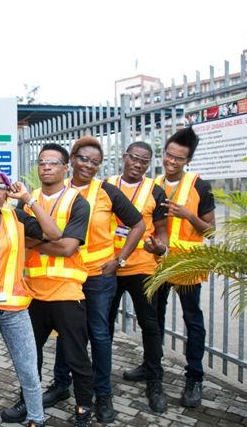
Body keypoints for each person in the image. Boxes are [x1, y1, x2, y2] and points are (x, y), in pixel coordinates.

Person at [50, 137, 144, 424]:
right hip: (67, 276)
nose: (88, 166)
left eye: (95, 162)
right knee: (67, 333)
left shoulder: (107, 192)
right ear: (71, 160)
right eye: (83, 159)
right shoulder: (58, 191)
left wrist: (120, 259)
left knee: (99, 335)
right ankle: (61, 385)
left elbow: (138, 224)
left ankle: (102, 395)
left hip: (98, 278)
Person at [1, 144, 95, 427]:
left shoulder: (77, 202)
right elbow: (22, 239)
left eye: (52, 162)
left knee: (76, 356)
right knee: (30, 357)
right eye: (42, 162)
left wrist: (40, 242)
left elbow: (67, 248)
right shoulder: (26, 201)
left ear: (66, 168)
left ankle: (83, 407)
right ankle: (27, 401)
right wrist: (48, 241)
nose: (45, 167)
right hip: (32, 294)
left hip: (67, 292)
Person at [0, 167, 61, 427]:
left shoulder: (16, 218)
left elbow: (53, 234)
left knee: (28, 370)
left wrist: (28, 200)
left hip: (16, 309)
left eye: (2, 186)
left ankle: (36, 419)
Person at [148, 127, 215, 408]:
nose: (171, 162)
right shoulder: (153, 184)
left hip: (187, 263)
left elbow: (211, 231)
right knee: (154, 319)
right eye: (168, 155)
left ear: (188, 161)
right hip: (158, 262)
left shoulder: (199, 185)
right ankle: (152, 368)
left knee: (192, 320)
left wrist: (189, 215)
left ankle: (194, 378)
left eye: (179, 158)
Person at [106, 142, 169, 413]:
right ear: (124, 157)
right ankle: (101, 382)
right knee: (102, 326)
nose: (138, 164)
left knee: (150, 324)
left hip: (142, 267)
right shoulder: (105, 186)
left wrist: (160, 247)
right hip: (109, 266)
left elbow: (163, 230)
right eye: (134, 158)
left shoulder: (155, 190)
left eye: (144, 161)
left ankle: (154, 380)